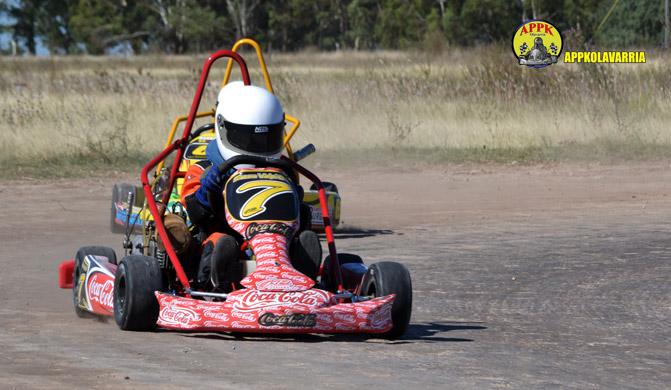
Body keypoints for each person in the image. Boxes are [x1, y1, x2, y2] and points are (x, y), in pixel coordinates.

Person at [179, 82, 321, 292]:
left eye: (266, 138)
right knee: (220, 243)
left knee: (303, 238)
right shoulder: (204, 169)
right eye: (248, 139)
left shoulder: (282, 168)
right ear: (223, 128)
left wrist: (295, 197)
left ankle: (303, 282)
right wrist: (207, 191)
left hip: (275, 241)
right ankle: (216, 291)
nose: (256, 148)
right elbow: (195, 215)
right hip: (226, 235)